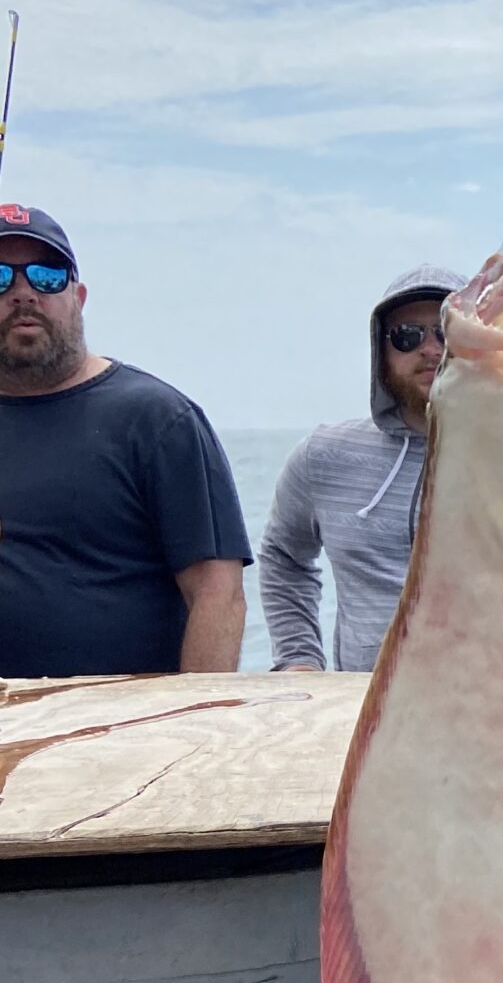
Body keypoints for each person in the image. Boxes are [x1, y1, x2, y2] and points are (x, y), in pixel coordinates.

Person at [0, 202, 249, 676]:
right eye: (0, 278)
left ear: (80, 297)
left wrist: (196, 721)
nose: (24, 293)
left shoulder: (158, 419)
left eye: (46, 276)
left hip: (117, 734)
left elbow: (218, 594)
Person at [258, 265, 463, 670]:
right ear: (381, 350)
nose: (430, 349)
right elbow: (283, 557)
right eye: (408, 335)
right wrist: (298, 659)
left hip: (494, 713)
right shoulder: (324, 457)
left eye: (448, 332)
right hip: (358, 709)